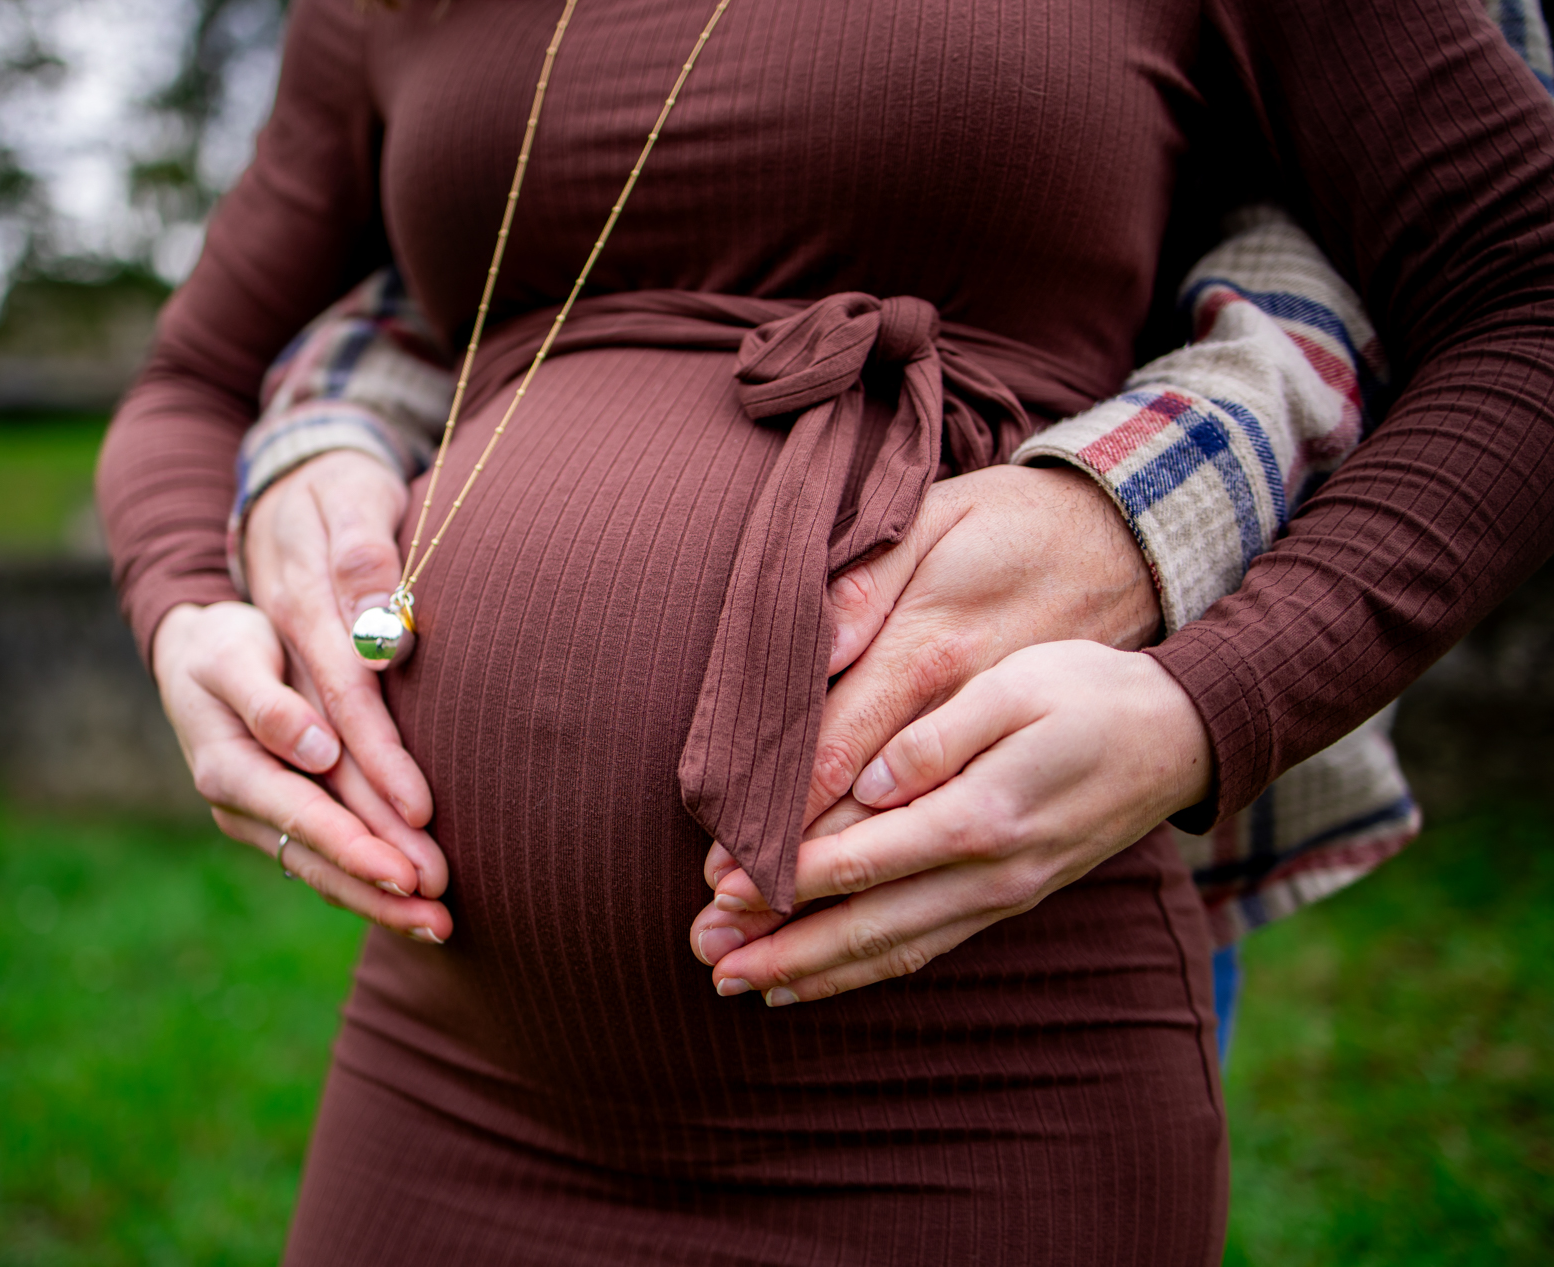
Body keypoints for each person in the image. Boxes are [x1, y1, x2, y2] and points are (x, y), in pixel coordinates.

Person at [98, 1, 1554, 1261]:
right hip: (454, 1069)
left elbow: (1521, 299)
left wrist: (1209, 705)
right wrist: (186, 610)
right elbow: (193, 378)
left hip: (971, 1085)